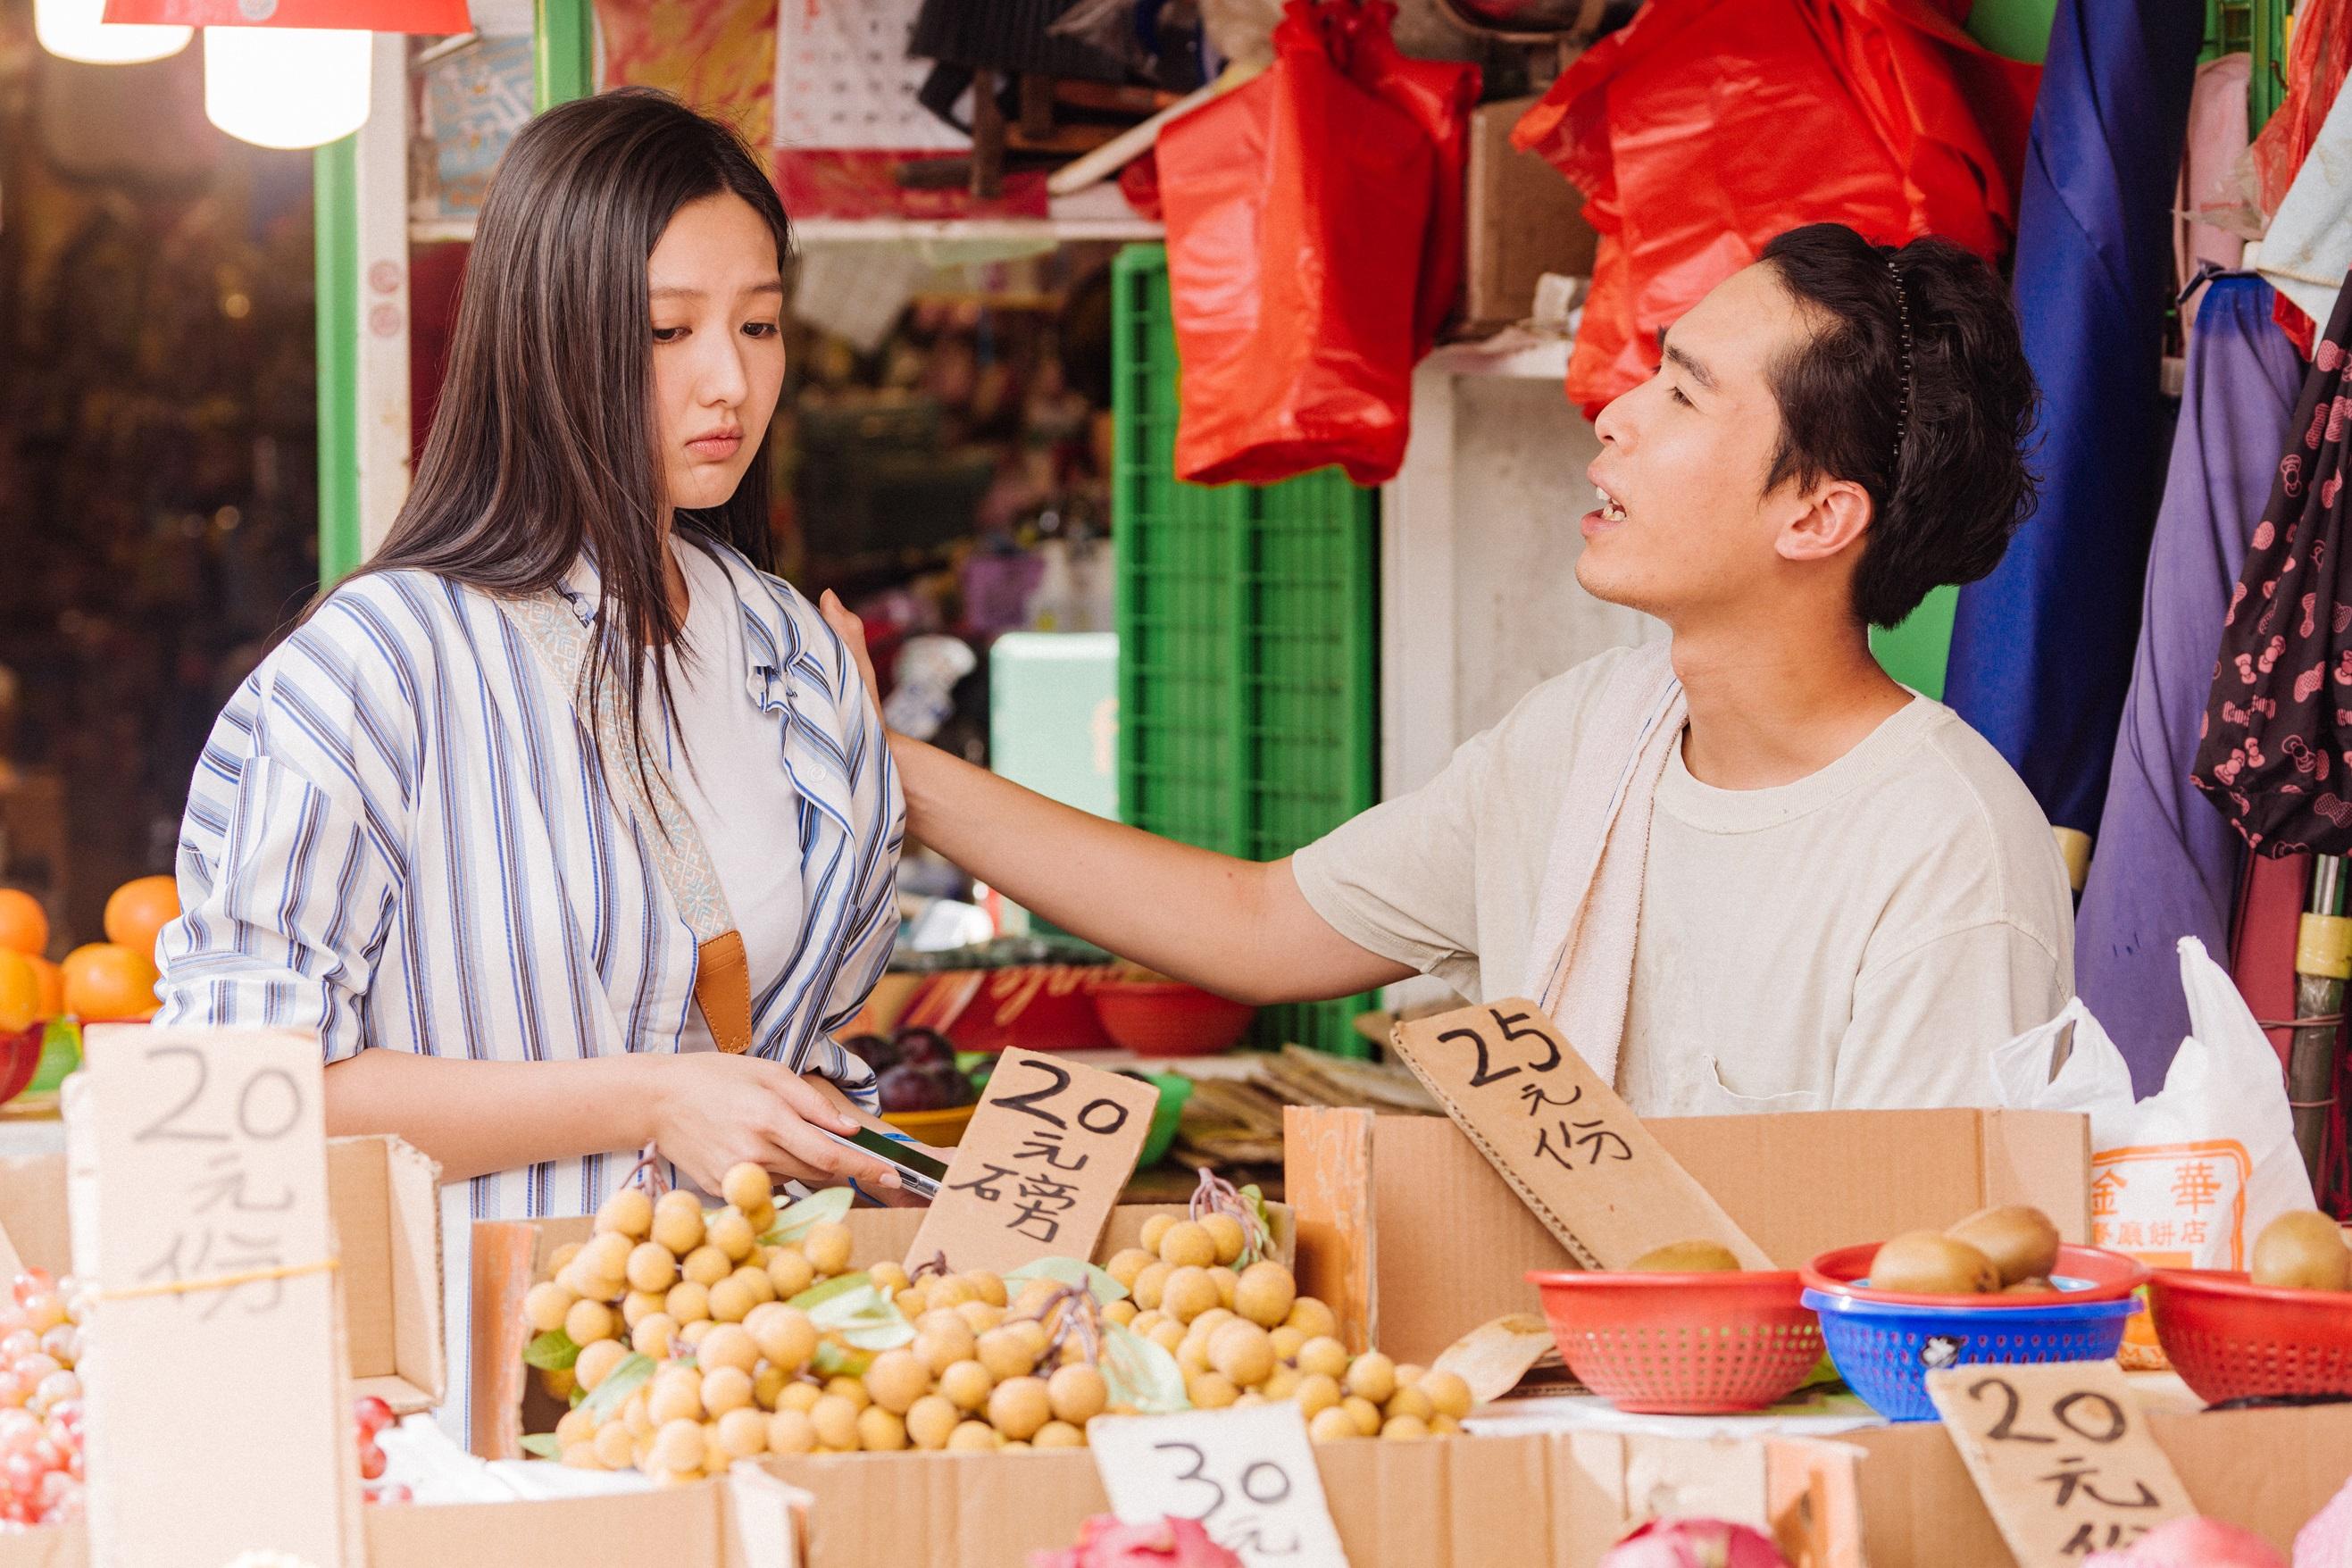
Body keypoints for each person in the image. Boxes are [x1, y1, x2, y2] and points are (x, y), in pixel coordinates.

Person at [826, 224, 2072, 1115]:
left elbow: (1925, 1274)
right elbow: (1257, 927)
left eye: (1682, 397)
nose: (1614, 415)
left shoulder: (1942, 848)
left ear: (1814, 517)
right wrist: (889, 769)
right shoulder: (1586, 734)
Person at [156, 91, 907, 1425]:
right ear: (547, 341)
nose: (728, 379)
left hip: (740, 1391)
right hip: (448, 1403)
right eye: (667, 332)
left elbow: (816, 1047)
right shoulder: (379, 667)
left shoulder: (793, 661)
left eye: (759, 323)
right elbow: (239, 1092)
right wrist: (649, 1096)